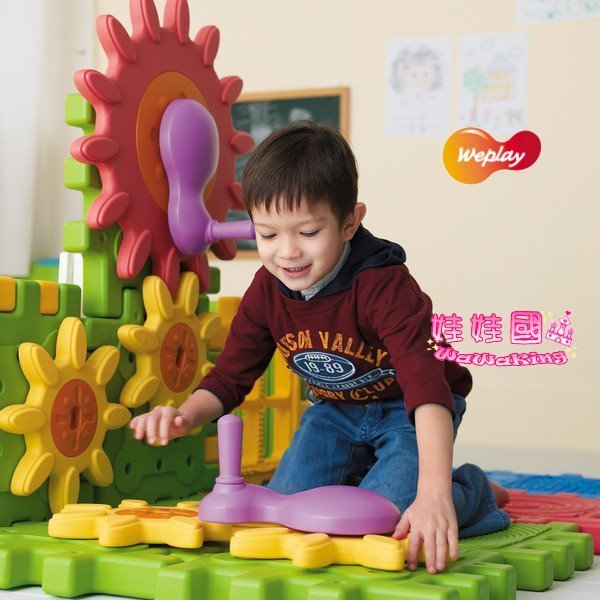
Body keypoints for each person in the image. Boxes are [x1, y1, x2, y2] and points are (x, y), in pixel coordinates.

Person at [130, 121, 510, 574]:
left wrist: (433, 494)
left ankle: (468, 490)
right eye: (268, 235)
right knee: (285, 515)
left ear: (350, 221)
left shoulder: (384, 286)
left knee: (387, 523)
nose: (287, 252)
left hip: (408, 410)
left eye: (308, 232)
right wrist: (183, 416)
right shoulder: (267, 291)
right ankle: (379, 477)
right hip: (335, 410)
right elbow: (230, 377)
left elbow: (427, 387)